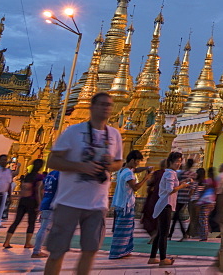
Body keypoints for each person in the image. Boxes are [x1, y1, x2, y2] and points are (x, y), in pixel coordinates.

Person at [43, 92, 124, 275]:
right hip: (68, 202)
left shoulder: (114, 135)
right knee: (57, 251)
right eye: (102, 104)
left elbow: (119, 162)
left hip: (97, 204)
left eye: (109, 105)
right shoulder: (73, 131)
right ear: (92, 107)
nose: (106, 108)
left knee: (90, 251)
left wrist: (109, 164)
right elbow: (52, 161)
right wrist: (81, 166)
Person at [150, 151, 190, 266]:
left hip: (165, 204)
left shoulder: (171, 173)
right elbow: (170, 190)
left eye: (179, 161)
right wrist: (182, 186)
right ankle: (163, 259)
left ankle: (152, 257)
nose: (178, 164)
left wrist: (182, 183)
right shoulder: (170, 174)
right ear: (170, 162)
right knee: (164, 233)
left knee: (160, 232)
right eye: (176, 161)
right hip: (165, 205)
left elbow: (171, 186)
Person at [109, 150, 147, 259]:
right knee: (123, 230)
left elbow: (136, 170)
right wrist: (145, 178)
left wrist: (146, 168)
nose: (137, 164)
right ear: (132, 160)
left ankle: (125, 250)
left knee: (127, 229)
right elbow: (135, 187)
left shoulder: (123, 170)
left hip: (121, 204)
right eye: (137, 162)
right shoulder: (128, 173)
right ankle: (117, 252)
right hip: (126, 205)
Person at [1, 157, 43, 249]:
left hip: (23, 200)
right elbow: (38, 191)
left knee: (16, 222)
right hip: (32, 201)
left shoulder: (28, 176)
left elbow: (23, 189)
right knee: (31, 223)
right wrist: (40, 204)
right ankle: (27, 243)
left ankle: (6, 241)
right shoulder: (39, 177)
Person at [30, 168, 59, 258]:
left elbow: (40, 187)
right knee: (44, 228)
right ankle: (37, 250)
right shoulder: (60, 174)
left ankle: (40, 248)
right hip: (53, 204)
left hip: (46, 202)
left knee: (45, 228)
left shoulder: (51, 174)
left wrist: (42, 200)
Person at [169, 158, 196, 241]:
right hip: (187, 196)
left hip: (180, 195)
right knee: (177, 215)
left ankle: (179, 234)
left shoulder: (183, 173)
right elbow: (193, 186)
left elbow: (177, 182)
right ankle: (173, 234)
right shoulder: (193, 174)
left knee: (177, 215)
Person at [141, 159, 166, 238]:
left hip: (154, 197)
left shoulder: (157, 173)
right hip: (163, 198)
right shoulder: (168, 174)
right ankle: (156, 234)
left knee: (149, 217)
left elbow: (149, 183)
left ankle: (153, 234)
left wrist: (148, 175)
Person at [195, 167, 217, 240]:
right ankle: (205, 233)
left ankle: (204, 235)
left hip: (205, 202)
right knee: (205, 218)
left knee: (202, 219)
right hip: (212, 202)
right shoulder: (215, 182)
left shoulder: (207, 181)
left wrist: (199, 199)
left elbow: (203, 190)